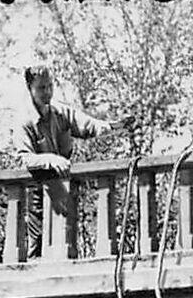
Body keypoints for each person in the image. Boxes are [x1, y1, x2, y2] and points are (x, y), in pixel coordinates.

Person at [16, 64, 117, 226]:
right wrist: (51, 160)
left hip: (62, 187)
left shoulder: (61, 112)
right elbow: (24, 158)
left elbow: (86, 124)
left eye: (50, 86)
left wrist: (108, 127)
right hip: (37, 190)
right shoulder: (24, 121)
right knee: (38, 244)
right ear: (30, 88)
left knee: (66, 238)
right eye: (41, 88)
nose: (47, 92)